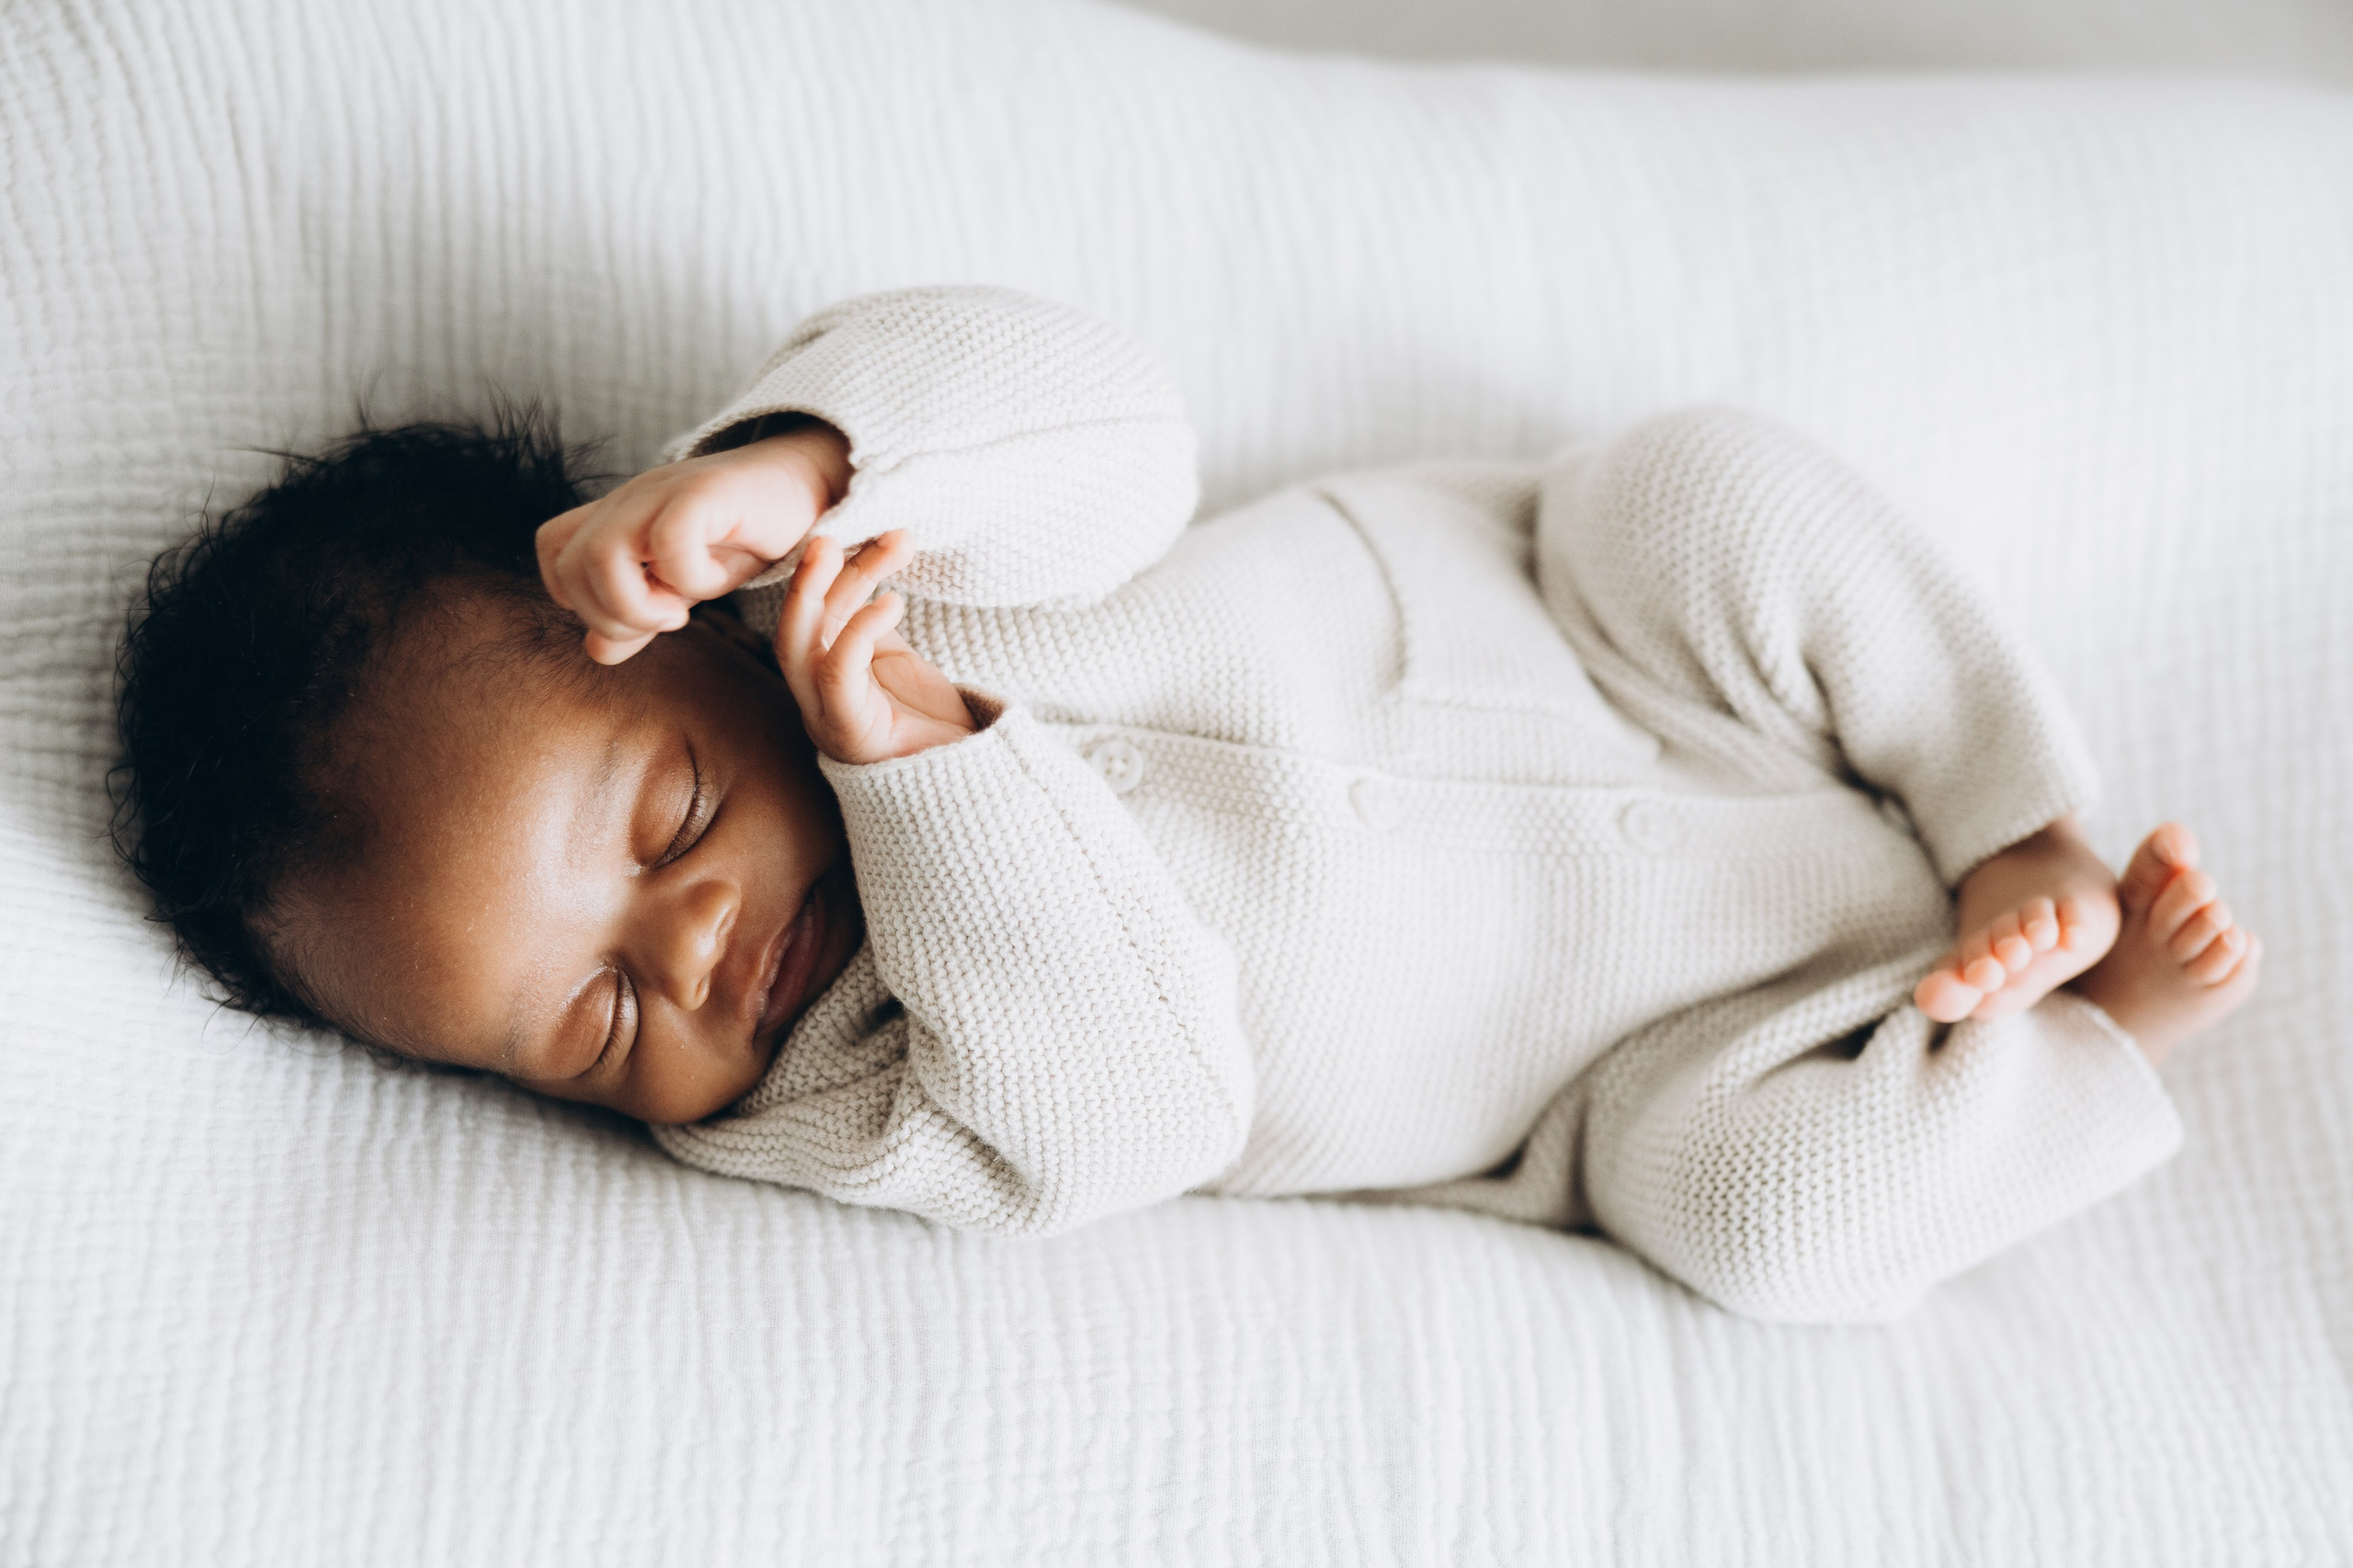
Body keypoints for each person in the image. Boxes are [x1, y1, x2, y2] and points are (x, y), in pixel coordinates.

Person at [115, 288, 2258, 1321]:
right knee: (1758, 1226)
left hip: (1619, 644)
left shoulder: (888, 555)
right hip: (1647, 1062)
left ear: (674, 614)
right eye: (588, 1030)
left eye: (667, 818)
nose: (681, 958)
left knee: (1679, 476)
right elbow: (1142, 1112)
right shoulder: (843, 1102)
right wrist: (920, 776)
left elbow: (1114, 425)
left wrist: (807, 472)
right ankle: (2073, 1050)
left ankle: (2012, 819)